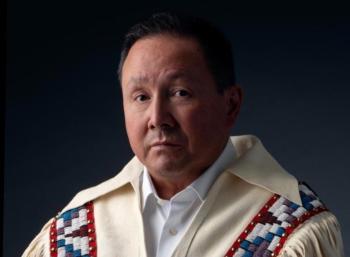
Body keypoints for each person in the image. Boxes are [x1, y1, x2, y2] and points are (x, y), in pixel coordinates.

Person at [23, 13, 344, 257]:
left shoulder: (291, 231)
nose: (157, 118)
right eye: (141, 97)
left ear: (230, 105)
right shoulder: (73, 230)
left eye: (180, 93)